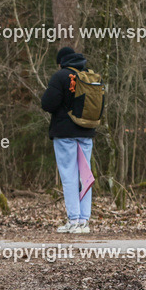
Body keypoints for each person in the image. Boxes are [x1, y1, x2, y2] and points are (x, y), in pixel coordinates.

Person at [40, 46, 97, 234]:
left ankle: (73, 220)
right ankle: (84, 221)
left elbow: (47, 103)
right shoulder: (89, 75)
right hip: (87, 132)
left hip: (65, 135)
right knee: (85, 177)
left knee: (69, 177)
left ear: (61, 62)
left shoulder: (61, 76)